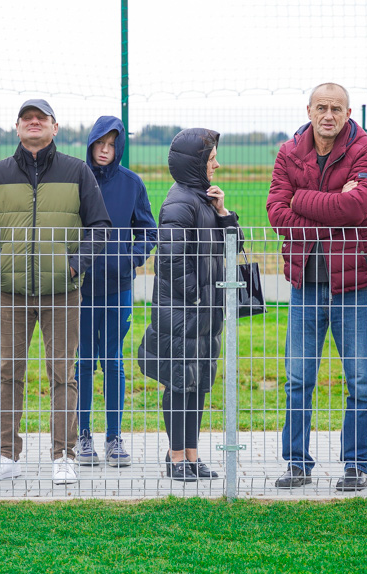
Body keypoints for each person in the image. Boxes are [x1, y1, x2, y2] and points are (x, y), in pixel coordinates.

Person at [0, 99, 111, 485]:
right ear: (16, 128)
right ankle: (6, 456)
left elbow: (99, 226)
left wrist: (75, 264)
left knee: (63, 375)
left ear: (55, 127)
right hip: (12, 291)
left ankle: (63, 456)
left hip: (62, 292)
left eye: (41, 119)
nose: (34, 123)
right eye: (27, 119)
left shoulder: (77, 171)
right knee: (8, 373)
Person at [266, 83, 367, 491]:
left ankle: (356, 465)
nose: (328, 115)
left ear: (349, 113)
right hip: (305, 283)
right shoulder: (288, 152)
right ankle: (297, 464)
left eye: (336, 108)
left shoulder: (365, 151)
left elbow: (357, 206)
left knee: (360, 380)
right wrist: (327, 207)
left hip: (353, 285)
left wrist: (302, 198)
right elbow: (276, 213)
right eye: (321, 107)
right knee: (298, 379)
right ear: (309, 110)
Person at [137, 128, 239, 481]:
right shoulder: (179, 202)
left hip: (203, 312)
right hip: (183, 312)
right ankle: (176, 457)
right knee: (180, 384)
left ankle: (192, 456)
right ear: (195, 164)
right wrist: (196, 295)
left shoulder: (202, 197)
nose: (218, 165)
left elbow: (232, 246)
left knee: (196, 385)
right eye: (212, 160)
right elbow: (171, 259)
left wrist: (223, 211)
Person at [75, 116, 157, 468]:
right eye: (100, 144)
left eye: (112, 145)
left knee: (113, 362)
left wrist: (130, 259)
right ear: (91, 143)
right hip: (77, 290)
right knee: (82, 363)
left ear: (119, 147)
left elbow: (149, 231)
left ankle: (113, 437)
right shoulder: (75, 179)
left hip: (117, 288)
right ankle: (82, 437)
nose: (105, 151)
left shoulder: (132, 184)